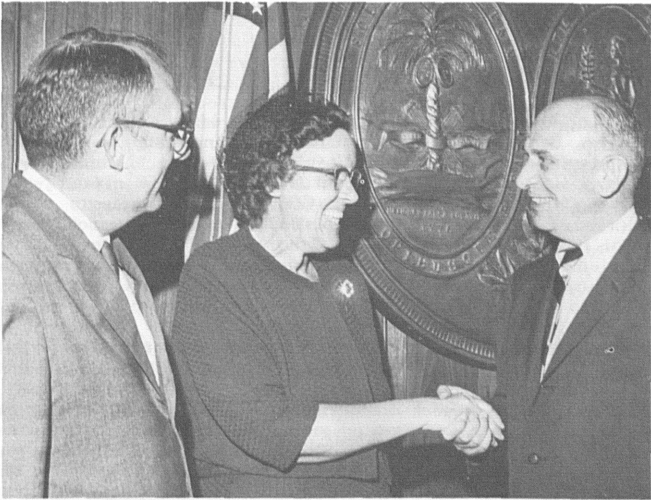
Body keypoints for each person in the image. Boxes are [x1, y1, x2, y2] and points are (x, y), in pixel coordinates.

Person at [169, 94, 504, 497]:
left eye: (353, 178)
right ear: (276, 179)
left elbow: (371, 423)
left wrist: (452, 416)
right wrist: (427, 413)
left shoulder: (342, 279)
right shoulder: (217, 275)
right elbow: (274, 432)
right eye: (335, 175)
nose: (352, 196)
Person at [3, 28, 193, 497]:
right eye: (173, 133)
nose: (178, 151)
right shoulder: (12, 270)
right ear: (114, 144)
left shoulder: (109, 253)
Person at [490, 95, 649, 498]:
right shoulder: (525, 287)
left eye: (544, 161)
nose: (523, 178)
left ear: (608, 175)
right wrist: (480, 424)